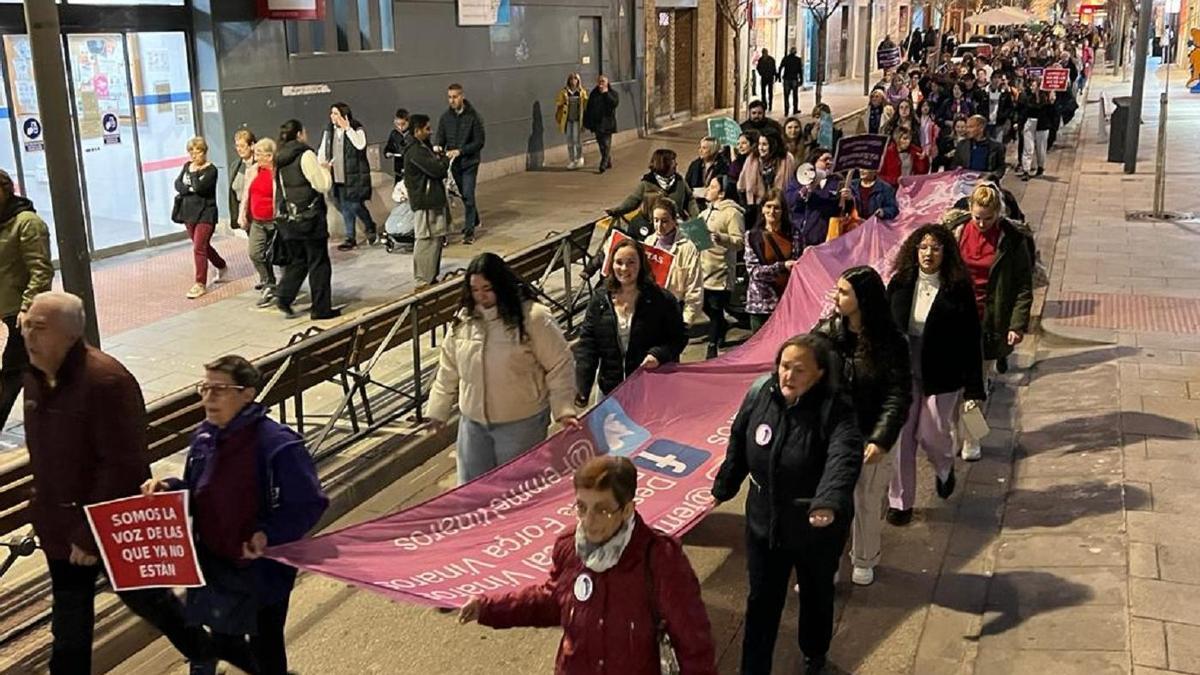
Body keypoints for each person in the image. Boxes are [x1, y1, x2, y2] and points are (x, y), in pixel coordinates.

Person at [22, 292, 216, 674]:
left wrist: (89, 533)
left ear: (70, 334)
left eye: (39, 328)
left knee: (149, 602)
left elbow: (124, 464)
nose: (28, 334)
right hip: (60, 526)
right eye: (26, 324)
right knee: (70, 626)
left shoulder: (105, 381)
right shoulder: (36, 377)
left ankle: (202, 649)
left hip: (104, 525)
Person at [143, 356, 328, 675]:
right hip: (215, 562)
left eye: (220, 389)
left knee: (264, 643)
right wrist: (169, 489)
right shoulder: (205, 436)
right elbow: (198, 489)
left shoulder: (277, 444)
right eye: (204, 388)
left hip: (260, 569)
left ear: (247, 394)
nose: (208, 398)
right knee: (222, 638)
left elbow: (310, 502)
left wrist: (267, 534)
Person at [459, 455, 718, 674]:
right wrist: (488, 607)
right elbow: (552, 600)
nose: (588, 520)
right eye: (582, 507)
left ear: (627, 509)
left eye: (602, 510)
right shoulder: (568, 546)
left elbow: (693, 642)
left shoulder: (660, 558)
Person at [712, 333, 863, 675]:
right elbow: (740, 438)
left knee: (815, 594)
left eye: (799, 370)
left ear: (820, 374)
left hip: (815, 528)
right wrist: (724, 485)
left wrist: (826, 502)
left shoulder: (836, 409)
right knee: (761, 600)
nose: (788, 376)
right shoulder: (759, 394)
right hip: (765, 521)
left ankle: (814, 652)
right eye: (784, 366)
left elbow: (844, 457)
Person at [428, 253, 578, 483]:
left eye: (487, 289)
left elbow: (560, 364)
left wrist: (564, 409)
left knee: (515, 491)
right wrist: (438, 410)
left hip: (521, 424)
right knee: (472, 492)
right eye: (475, 289)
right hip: (473, 424)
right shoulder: (464, 319)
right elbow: (449, 367)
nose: (481, 296)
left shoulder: (533, 318)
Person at [814, 267, 911, 587]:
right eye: (837, 291)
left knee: (867, 500)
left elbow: (898, 395)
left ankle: (865, 557)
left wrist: (881, 439)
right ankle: (826, 561)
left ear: (863, 299)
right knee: (828, 499)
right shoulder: (827, 333)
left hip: (871, 433)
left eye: (844, 292)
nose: (836, 297)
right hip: (835, 434)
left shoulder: (891, 341)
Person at [886, 225, 984, 525]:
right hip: (905, 372)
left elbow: (971, 338)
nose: (928, 254)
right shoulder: (900, 282)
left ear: (946, 253)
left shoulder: (958, 288)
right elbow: (883, 327)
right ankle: (900, 503)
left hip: (944, 373)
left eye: (936, 248)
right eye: (923, 247)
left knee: (931, 432)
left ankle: (944, 468)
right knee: (902, 437)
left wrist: (974, 390)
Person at [955, 184, 1032, 461]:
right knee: (952, 385)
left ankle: (972, 438)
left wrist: (1016, 324)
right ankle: (957, 431)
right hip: (956, 317)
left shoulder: (1012, 239)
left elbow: (1024, 284)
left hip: (991, 321)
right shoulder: (957, 230)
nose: (982, 223)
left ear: (998, 212)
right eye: (977, 217)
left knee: (975, 386)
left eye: (988, 218)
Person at [574, 238, 686, 402]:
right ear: (611, 264)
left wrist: (658, 355)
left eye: (631, 262)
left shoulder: (661, 299)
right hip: (611, 390)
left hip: (650, 389)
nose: (624, 268)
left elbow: (679, 337)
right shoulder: (600, 300)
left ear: (641, 265)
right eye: (619, 262)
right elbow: (588, 345)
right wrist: (582, 387)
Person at [0, 169, 53, 431]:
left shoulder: (26, 222)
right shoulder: (2, 221)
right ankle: (54, 414)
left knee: (11, 371)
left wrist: (27, 306)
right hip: (8, 310)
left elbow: (41, 269)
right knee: (38, 368)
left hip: (25, 313)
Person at [273, 119, 339, 321]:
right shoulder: (305, 155)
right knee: (318, 263)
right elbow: (321, 185)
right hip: (309, 219)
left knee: (298, 261)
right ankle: (320, 309)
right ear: (300, 134)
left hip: (288, 220)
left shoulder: (279, 158)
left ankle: (284, 296)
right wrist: (326, 170)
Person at [319, 103, 378, 251]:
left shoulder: (356, 127)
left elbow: (360, 144)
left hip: (353, 176)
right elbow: (323, 149)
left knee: (353, 205)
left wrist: (348, 129)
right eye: (332, 113)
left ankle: (359, 231)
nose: (333, 117)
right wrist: (323, 163)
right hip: (336, 174)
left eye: (336, 113)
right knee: (347, 206)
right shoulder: (329, 131)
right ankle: (360, 231)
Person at [697, 177, 745, 358]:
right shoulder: (705, 212)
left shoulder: (732, 213)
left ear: (722, 193)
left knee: (716, 309)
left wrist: (722, 238)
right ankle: (722, 327)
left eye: (712, 187)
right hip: (703, 268)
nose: (708, 190)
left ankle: (712, 347)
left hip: (720, 270)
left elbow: (739, 242)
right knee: (703, 306)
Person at [174, 137, 227, 300]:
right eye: (191, 152)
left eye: (198, 151)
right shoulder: (186, 166)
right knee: (202, 245)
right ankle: (221, 265)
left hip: (206, 213)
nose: (194, 155)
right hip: (189, 212)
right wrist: (187, 187)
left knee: (198, 246)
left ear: (204, 152)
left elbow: (200, 187)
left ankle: (200, 283)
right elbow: (178, 184)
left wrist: (193, 177)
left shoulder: (211, 170)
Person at [744, 189, 802, 333]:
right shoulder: (752, 236)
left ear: (783, 211)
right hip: (762, 305)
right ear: (762, 209)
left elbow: (800, 261)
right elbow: (754, 272)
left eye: (777, 207)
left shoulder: (794, 234)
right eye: (768, 206)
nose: (772, 211)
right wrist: (782, 266)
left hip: (788, 302)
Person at [404, 114, 452, 288]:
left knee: (436, 239)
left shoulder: (424, 147)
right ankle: (423, 279)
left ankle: (431, 276)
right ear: (417, 131)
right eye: (427, 129)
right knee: (426, 240)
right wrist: (445, 159)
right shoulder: (414, 151)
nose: (430, 132)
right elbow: (437, 170)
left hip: (433, 200)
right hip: (425, 202)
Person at [436, 83, 486, 244]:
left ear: (462, 96)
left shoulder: (473, 117)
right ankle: (475, 219)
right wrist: (438, 147)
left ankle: (469, 232)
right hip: (454, 165)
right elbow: (441, 137)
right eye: (449, 97)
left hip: (470, 162)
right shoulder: (445, 118)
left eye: (455, 97)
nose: (452, 100)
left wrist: (461, 151)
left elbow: (479, 142)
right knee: (463, 195)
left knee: (469, 194)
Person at [643, 198, 703, 327]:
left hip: (674, 308)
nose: (659, 226)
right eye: (656, 220)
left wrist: (687, 318)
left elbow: (694, 286)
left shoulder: (687, 247)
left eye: (664, 221)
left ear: (674, 220)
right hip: (649, 307)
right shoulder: (648, 242)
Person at [237, 138, 281, 308]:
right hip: (258, 220)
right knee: (255, 253)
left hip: (275, 220)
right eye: (257, 154)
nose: (257, 158)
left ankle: (285, 288)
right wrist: (242, 214)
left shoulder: (278, 172)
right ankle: (268, 281)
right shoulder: (254, 171)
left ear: (270, 156)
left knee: (278, 255)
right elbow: (246, 195)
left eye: (260, 154)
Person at [606, 149, 697, 227]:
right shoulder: (647, 183)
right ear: (663, 164)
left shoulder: (680, 181)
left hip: (677, 225)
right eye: (673, 161)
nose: (676, 164)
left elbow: (689, 199)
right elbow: (633, 200)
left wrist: (696, 217)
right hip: (655, 227)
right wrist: (617, 210)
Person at [786, 148, 842, 246]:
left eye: (831, 160)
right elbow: (789, 199)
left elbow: (839, 206)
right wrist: (802, 192)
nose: (829, 162)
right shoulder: (800, 179)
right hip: (801, 232)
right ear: (814, 162)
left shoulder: (836, 182)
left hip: (827, 233)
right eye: (825, 159)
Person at [738, 132, 797, 220]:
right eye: (759, 144)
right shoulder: (752, 159)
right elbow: (741, 186)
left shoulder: (787, 158)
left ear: (774, 145)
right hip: (756, 208)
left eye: (764, 144)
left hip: (781, 207)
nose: (760, 148)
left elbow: (792, 183)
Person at [583, 74, 619, 174]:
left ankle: (603, 164)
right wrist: (587, 123)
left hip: (608, 124)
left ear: (607, 83)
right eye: (599, 82)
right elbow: (589, 108)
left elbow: (614, 103)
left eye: (603, 82)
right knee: (601, 144)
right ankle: (608, 160)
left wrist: (606, 94)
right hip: (597, 124)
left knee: (607, 144)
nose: (601, 84)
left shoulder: (612, 93)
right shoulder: (594, 94)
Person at [685, 136, 729, 212]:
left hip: (715, 205)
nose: (700, 150)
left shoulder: (724, 165)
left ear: (713, 150)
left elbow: (724, 187)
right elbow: (686, 184)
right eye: (700, 147)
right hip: (696, 205)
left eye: (704, 148)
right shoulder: (694, 165)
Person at [554, 73, 589, 170]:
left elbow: (586, 104)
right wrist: (563, 101)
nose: (573, 82)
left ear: (578, 81)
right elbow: (558, 102)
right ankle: (572, 160)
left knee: (576, 139)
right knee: (569, 140)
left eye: (575, 79)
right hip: (568, 120)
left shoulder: (581, 92)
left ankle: (579, 157)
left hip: (577, 120)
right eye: (571, 80)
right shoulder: (564, 92)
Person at [1020, 89, 1053, 180]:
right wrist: (1020, 124)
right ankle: (1026, 170)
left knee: (1041, 148)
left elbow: (1052, 113)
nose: (1032, 87)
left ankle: (1040, 167)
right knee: (1028, 148)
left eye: (1034, 85)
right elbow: (1025, 110)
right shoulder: (1029, 98)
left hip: (1042, 125)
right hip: (1030, 123)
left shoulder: (1047, 100)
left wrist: (1051, 102)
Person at [228, 128, 255, 232]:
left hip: (256, 210)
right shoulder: (235, 165)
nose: (239, 149)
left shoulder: (258, 164)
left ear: (251, 145)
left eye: (242, 146)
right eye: (237, 146)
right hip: (243, 211)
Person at [383, 108, 412, 184]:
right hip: (398, 169)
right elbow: (388, 148)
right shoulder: (394, 134)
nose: (400, 127)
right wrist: (387, 153)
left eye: (403, 124)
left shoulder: (412, 134)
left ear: (408, 122)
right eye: (398, 124)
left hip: (411, 169)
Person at [985, 71, 1014, 145]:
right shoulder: (984, 92)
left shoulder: (1005, 93)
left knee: (998, 145)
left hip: (999, 124)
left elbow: (1009, 107)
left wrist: (1003, 116)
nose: (997, 80)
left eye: (999, 78)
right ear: (991, 79)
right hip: (986, 124)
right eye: (995, 77)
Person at [780, 47, 804, 116]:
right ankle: (795, 109)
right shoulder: (797, 60)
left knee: (786, 96)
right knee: (795, 95)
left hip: (787, 79)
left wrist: (779, 76)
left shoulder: (786, 58)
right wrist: (801, 79)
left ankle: (786, 110)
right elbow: (800, 71)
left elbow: (781, 67)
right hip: (794, 79)